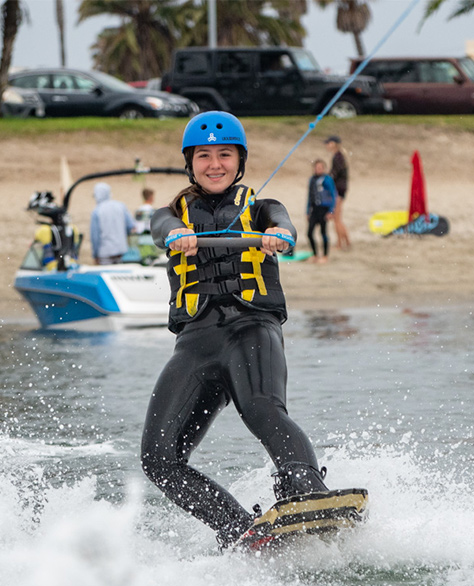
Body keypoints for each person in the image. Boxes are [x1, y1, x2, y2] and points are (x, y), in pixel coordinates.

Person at [141, 111, 329, 550]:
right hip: (196, 343)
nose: (215, 164)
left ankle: (307, 491)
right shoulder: (169, 215)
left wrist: (279, 235)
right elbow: (160, 227)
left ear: (240, 160)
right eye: (204, 156)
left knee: (262, 408)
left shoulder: (262, 207)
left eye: (225, 155)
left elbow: (283, 222)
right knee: (158, 459)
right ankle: (242, 531)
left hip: (252, 329)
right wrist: (176, 235)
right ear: (190, 163)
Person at [89, 182, 135, 265]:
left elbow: (95, 237)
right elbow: (131, 226)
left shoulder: (96, 211)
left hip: (104, 254)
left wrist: (95, 255)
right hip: (121, 251)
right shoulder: (121, 206)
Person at [305, 159, 336, 263]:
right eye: (317, 167)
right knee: (309, 233)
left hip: (324, 209)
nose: (318, 169)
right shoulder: (312, 180)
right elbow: (310, 196)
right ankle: (315, 254)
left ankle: (325, 256)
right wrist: (307, 211)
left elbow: (333, 195)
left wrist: (331, 211)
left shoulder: (327, 179)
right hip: (314, 209)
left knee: (323, 233)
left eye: (321, 168)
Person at [324, 136, 351, 251]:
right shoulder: (340, 156)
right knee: (338, 218)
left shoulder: (338, 157)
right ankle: (347, 242)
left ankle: (340, 243)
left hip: (338, 191)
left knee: (336, 218)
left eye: (328, 143)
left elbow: (335, 174)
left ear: (334, 144)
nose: (327, 146)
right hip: (341, 190)